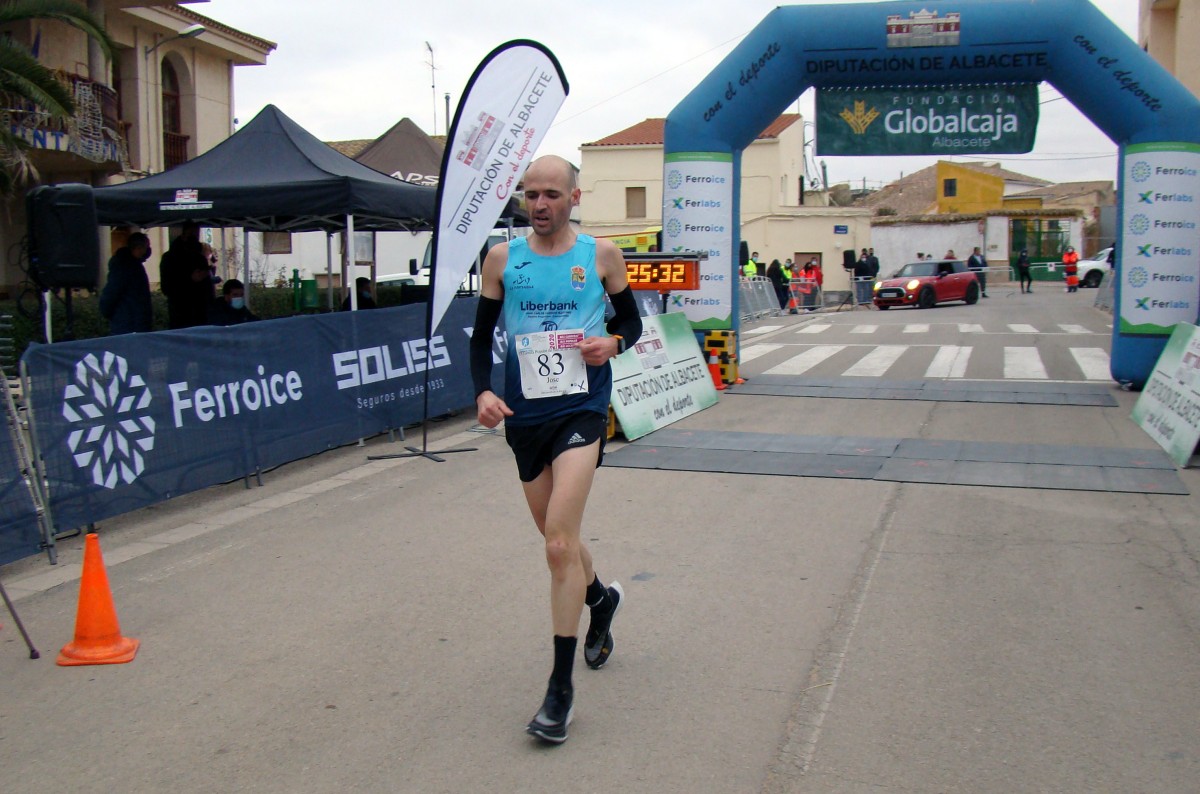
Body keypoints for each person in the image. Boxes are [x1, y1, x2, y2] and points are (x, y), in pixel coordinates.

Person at [470, 155, 642, 745]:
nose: (538, 204)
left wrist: (612, 343)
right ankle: (600, 601)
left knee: (559, 544)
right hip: (524, 416)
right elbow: (480, 338)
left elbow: (633, 323)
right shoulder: (501, 259)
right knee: (556, 540)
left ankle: (559, 692)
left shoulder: (600, 256)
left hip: (582, 410)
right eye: (530, 194)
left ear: (574, 197)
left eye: (550, 194)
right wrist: (484, 391)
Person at [160, 221, 216, 328]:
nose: (194, 239)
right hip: (181, 313)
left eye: (196, 235)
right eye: (191, 235)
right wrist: (190, 279)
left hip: (201, 313)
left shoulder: (200, 257)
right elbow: (166, 287)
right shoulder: (170, 258)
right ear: (183, 235)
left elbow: (207, 287)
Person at [98, 232, 153, 335]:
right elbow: (111, 293)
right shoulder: (124, 266)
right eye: (146, 248)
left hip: (130, 322)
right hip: (128, 324)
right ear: (139, 248)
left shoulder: (131, 265)